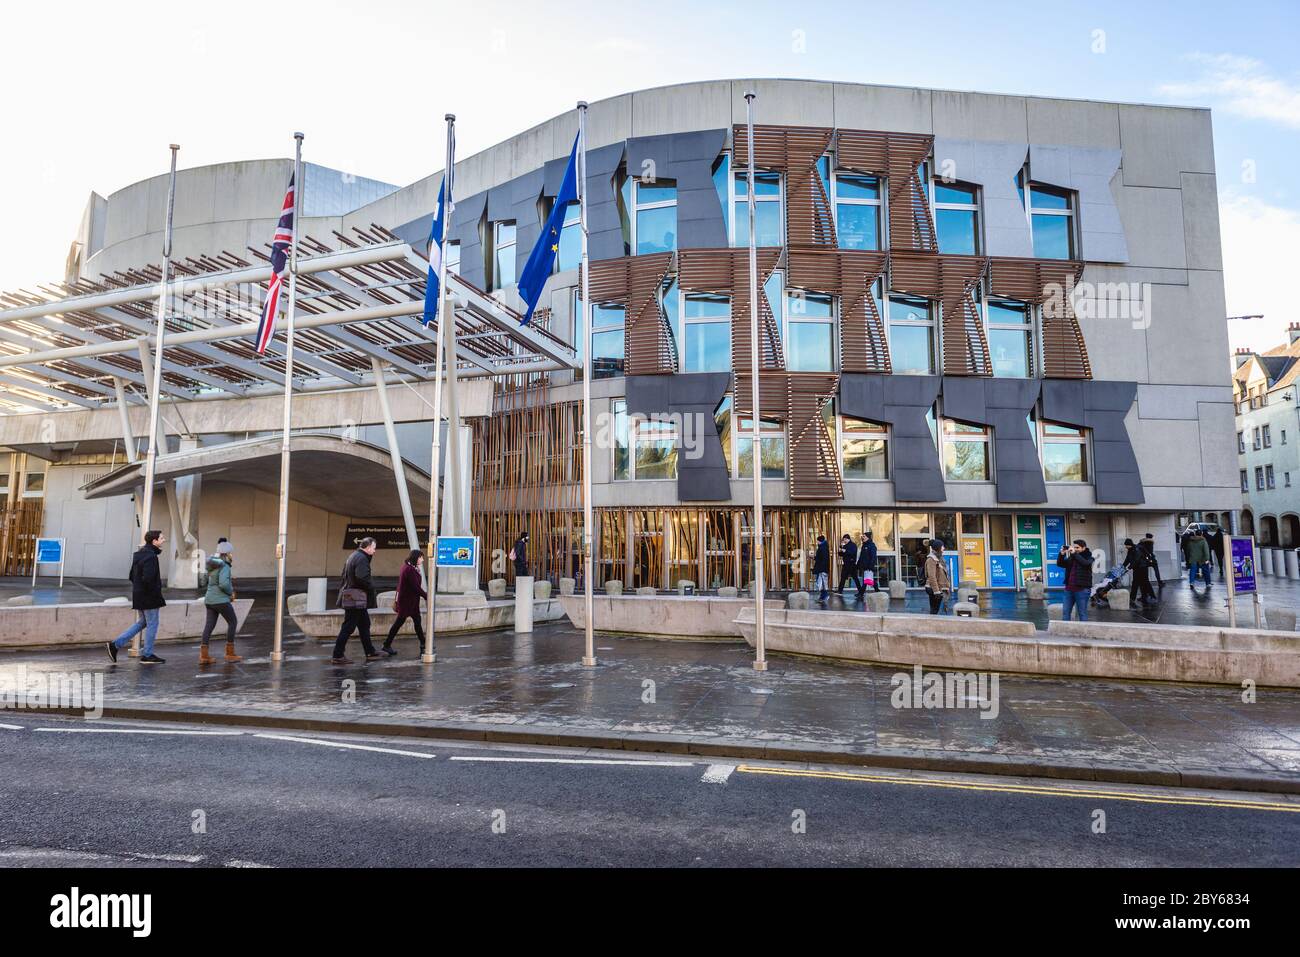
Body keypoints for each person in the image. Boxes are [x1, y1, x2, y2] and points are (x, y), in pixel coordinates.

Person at [106, 530, 168, 664]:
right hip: (149, 597)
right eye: (161, 538)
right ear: (154, 541)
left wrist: (139, 590)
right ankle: (148, 654)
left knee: (143, 622)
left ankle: (115, 645)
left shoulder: (139, 555)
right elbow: (149, 579)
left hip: (139, 595)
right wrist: (154, 593)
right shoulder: (151, 557)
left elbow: (131, 576)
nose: (164, 540)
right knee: (152, 624)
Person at [332, 537, 383, 664]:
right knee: (348, 626)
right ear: (368, 547)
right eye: (374, 548)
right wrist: (371, 587)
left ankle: (370, 651)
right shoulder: (361, 558)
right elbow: (362, 577)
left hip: (353, 595)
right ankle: (337, 655)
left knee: (364, 624)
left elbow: (345, 575)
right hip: (356, 597)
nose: (375, 551)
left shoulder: (354, 555)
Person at [199, 540, 241, 665]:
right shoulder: (225, 566)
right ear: (227, 553)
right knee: (232, 622)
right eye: (230, 553)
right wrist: (230, 592)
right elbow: (223, 584)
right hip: (221, 600)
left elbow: (208, 580)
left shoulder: (212, 564)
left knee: (209, 626)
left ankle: (204, 656)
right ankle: (229, 653)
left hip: (210, 599)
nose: (232, 555)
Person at [384, 548, 428, 656]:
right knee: (399, 623)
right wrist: (427, 596)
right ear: (416, 558)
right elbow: (415, 587)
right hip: (407, 602)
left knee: (417, 622)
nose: (423, 560)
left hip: (410, 602)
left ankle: (423, 644)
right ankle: (386, 645)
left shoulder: (410, 567)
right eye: (421, 557)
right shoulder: (409, 569)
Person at [1056, 539, 1094, 621]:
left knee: (1082, 613)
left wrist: (1074, 553)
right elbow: (1060, 564)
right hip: (1069, 590)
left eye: (1078, 547)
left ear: (1084, 548)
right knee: (1065, 612)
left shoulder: (1089, 557)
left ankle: (1084, 632)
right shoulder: (1072, 557)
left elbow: (1085, 563)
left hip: (1082, 590)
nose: (1075, 549)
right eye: (1074, 547)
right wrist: (1061, 554)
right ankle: (1065, 631)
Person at [1124, 537, 1158, 606]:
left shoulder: (1137, 549)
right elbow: (1127, 559)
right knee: (1136, 583)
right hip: (1136, 568)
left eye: (1126, 545)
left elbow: (1137, 560)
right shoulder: (1130, 550)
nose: (1125, 547)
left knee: (1144, 582)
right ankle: (1136, 598)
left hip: (1142, 568)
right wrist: (1122, 567)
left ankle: (1151, 596)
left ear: (1129, 544)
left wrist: (1129, 568)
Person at [923, 541, 951, 615]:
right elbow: (932, 577)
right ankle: (931, 624)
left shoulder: (939, 558)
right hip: (934, 588)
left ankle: (932, 623)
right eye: (942, 547)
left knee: (935, 610)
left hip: (939, 587)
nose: (943, 548)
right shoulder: (931, 560)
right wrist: (936, 591)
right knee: (934, 610)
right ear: (938, 548)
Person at [856, 531, 880, 598]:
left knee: (866, 580)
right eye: (862, 536)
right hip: (864, 565)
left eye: (864, 536)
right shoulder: (864, 545)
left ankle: (861, 593)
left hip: (869, 566)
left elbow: (873, 557)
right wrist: (858, 564)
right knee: (868, 579)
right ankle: (877, 590)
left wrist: (871, 565)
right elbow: (862, 556)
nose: (862, 537)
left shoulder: (872, 545)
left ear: (868, 537)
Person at [812, 534, 830, 604]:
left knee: (821, 583)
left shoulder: (823, 548)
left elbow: (824, 559)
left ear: (820, 541)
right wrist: (814, 557)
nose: (817, 542)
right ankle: (822, 596)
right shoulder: (823, 547)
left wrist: (822, 568)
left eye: (818, 541)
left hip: (822, 568)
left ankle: (825, 596)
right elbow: (821, 558)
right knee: (821, 583)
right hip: (822, 568)